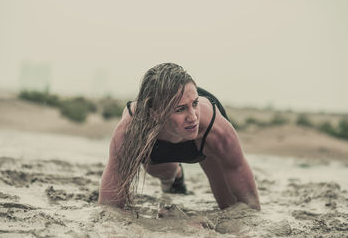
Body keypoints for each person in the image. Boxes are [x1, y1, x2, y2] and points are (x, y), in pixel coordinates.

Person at [98, 63, 260, 210]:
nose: (193, 117)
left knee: (230, 206)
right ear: (155, 113)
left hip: (203, 147)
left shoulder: (216, 131)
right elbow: (109, 207)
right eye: (180, 109)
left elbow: (250, 206)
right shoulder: (129, 131)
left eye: (195, 104)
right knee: (163, 171)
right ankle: (175, 175)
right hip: (154, 139)